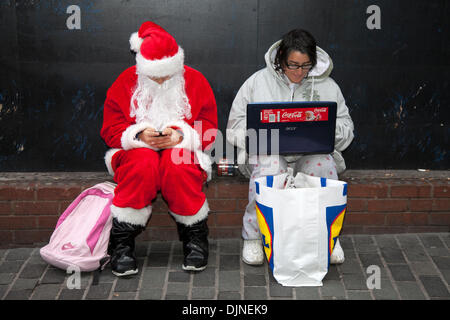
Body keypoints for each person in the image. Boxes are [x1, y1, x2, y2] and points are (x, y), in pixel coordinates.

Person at [226, 29, 354, 266]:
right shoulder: (257, 82)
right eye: (292, 65)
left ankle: (328, 238)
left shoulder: (329, 86)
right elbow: (234, 125)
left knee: (323, 165)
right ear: (280, 58)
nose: (298, 72)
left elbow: (347, 127)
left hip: (311, 153)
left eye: (305, 66)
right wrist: (257, 133)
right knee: (270, 166)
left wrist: (327, 130)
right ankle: (253, 237)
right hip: (268, 152)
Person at [100, 21, 217, 276]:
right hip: (136, 152)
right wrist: (138, 134)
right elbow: (110, 128)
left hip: (182, 150)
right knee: (142, 163)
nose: (162, 79)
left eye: (167, 74)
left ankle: (195, 239)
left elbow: (209, 127)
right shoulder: (125, 81)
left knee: (178, 165)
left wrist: (182, 136)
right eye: (155, 75)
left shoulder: (195, 80)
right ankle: (122, 244)